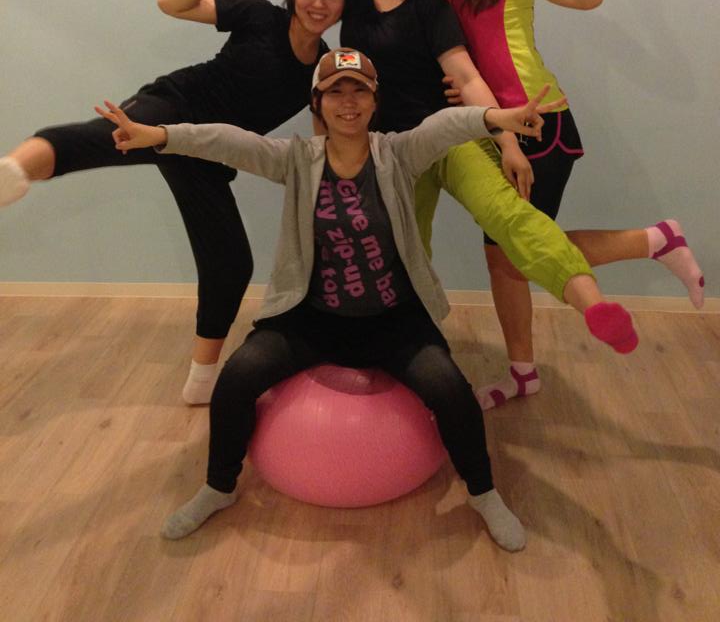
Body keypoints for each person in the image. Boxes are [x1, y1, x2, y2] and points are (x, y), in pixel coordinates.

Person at [95, 47, 610, 551]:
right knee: (236, 379)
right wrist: (159, 136)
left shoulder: (398, 154)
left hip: (393, 320)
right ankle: (219, 486)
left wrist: (500, 120)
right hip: (311, 320)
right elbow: (228, 142)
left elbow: (446, 126)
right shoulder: (297, 159)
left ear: (374, 101)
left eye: (358, 91)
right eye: (335, 91)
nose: (347, 102)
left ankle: (484, 493)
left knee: (451, 390)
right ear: (317, 103)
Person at [296, 0, 702, 376]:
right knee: (410, 247)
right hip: (396, 150)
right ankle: (428, 351)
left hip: (478, 130)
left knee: (512, 228)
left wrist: (504, 140)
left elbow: (471, 70)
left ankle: (592, 306)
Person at [410, 0, 705, 407]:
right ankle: (524, 371)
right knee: (507, 254)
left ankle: (654, 240)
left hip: (538, 123)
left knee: (519, 250)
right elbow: (455, 61)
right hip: (488, 127)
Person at [0, 0, 352, 403]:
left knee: (231, 264)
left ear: (344, 4)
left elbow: (325, 135)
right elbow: (171, 3)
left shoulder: (322, 67)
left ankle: (201, 383)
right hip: (175, 105)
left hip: (208, 152)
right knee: (104, 137)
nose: (318, 3)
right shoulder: (259, 15)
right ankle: (12, 171)